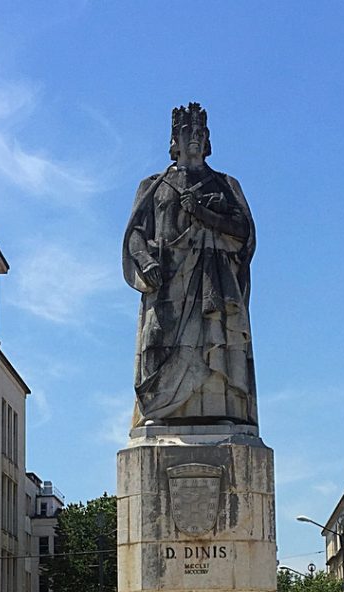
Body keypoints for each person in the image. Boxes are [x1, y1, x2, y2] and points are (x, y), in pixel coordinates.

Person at [123, 102, 257, 428]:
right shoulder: (152, 185)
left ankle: (222, 413)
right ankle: (159, 411)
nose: (194, 138)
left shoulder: (226, 184)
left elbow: (244, 233)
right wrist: (146, 260)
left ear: (207, 139)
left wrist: (204, 214)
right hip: (166, 282)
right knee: (156, 342)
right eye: (188, 132)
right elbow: (135, 235)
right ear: (174, 141)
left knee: (217, 345)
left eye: (200, 132)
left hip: (213, 280)